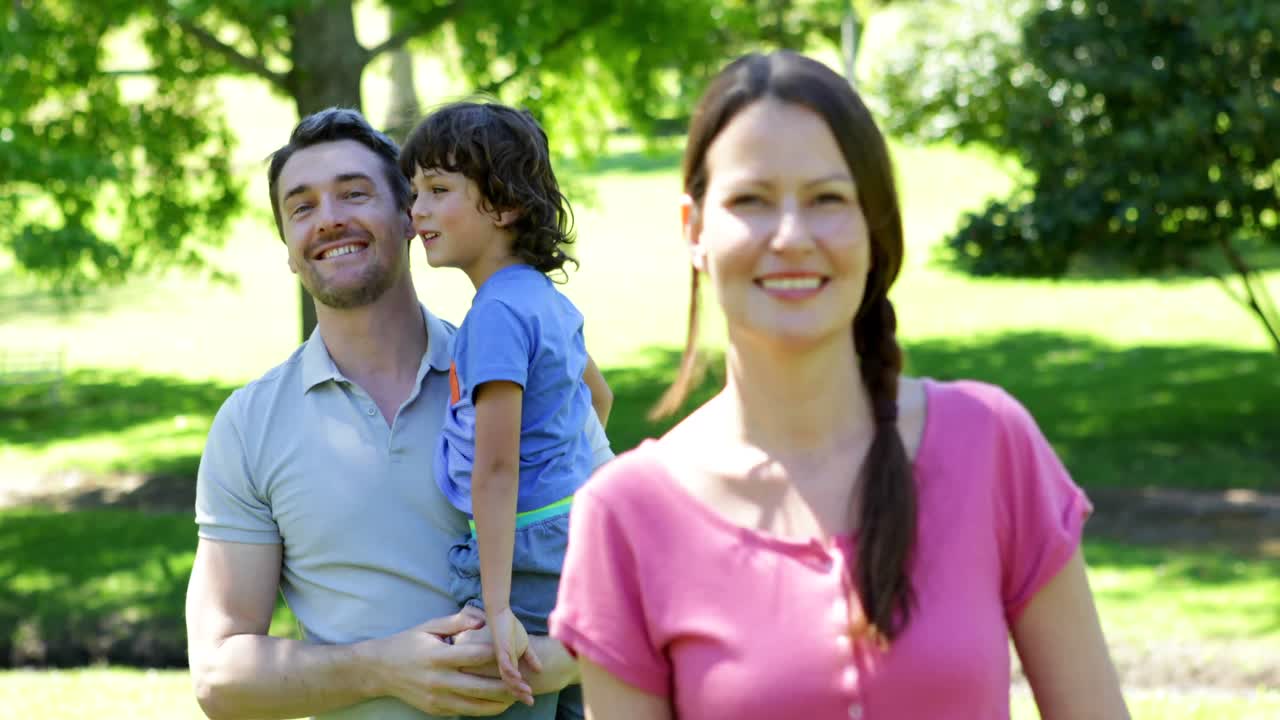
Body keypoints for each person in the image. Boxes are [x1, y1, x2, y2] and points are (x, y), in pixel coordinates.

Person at [548, 51, 1130, 719]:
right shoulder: (626, 516)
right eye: (752, 201)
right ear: (695, 230)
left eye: (827, 199)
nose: (792, 237)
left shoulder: (991, 444)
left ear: (871, 224)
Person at [185, 107, 612, 720]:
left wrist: (558, 659)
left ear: (410, 217)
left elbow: (621, 578)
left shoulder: (510, 374)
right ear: (288, 248)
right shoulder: (248, 425)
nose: (329, 219)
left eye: (355, 194)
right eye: (302, 207)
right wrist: (380, 667)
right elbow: (220, 677)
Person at [397, 101, 600, 719]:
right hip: (569, 534)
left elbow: (495, 468)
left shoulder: (494, 317)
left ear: (505, 206)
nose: (417, 210)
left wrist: (499, 605)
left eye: (437, 190)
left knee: (504, 689)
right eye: (414, 192)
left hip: (520, 551)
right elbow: (600, 397)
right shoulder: (542, 298)